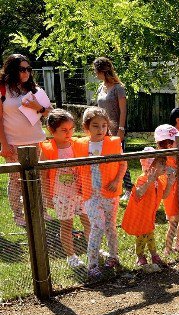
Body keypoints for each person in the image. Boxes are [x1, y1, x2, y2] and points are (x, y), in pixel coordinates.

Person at [73, 107, 127, 279]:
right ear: (86, 127)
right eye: (95, 126)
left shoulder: (113, 143)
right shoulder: (80, 145)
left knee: (111, 227)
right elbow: (76, 170)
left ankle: (113, 256)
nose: (100, 129)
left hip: (110, 194)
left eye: (104, 126)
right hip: (91, 194)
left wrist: (117, 181)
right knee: (97, 226)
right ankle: (93, 264)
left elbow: (123, 164)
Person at [0, 54, 52, 227]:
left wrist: (38, 107)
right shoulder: (2, 89)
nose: (27, 72)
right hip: (13, 142)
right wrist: (4, 144)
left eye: (29, 69)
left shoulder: (34, 88)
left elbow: (48, 111)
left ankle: (41, 210)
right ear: (12, 69)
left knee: (38, 177)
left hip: (36, 140)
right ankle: (18, 215)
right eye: (22, 69)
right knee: (15, 180)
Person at [39, 109, 91, 268]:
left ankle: (93, 249)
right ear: (51, 130)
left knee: (88, 222)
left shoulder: (78, 145)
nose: (69, 133)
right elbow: (43, 175)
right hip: (61, 195)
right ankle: (71, 256)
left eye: (71, 129)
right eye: (64, 130)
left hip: (81, 192)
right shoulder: (47, 150)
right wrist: (47, 196)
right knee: (66, 226)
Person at [121, 147, 175, 268]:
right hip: (140, 215)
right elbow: (139, 193)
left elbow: (164, 196)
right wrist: (149, 182)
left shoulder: (159, 181)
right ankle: (140, 256)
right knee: (141, 236)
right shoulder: (143, 178)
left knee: (150, 235)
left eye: (164, 163)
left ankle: (154, 255)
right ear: (151, 166)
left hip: (149, 215)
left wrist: (170, 184)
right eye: (161, 163)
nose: (165, 166)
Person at [92, 57, 131, 199]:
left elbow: (123, 110)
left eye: (96, 71)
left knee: (120, 157)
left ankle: (128, 188)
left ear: (102, 71)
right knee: (105, 158)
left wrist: (121, 128)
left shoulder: (118, 88)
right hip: (102, 129)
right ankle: (107, 184)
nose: (95, 74)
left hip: (115, 129)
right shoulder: (100, 87)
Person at [152, 124, 179, 255]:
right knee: (173, 223)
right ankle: (168, 249)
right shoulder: (162, 160)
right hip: (171, 195)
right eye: (176, 141)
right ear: (169, 144)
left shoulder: (176, 156)